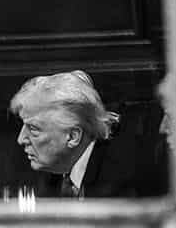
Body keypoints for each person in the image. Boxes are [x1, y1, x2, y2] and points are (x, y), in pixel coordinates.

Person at [9, 70, 162, 199]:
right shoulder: (52, 173)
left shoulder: (121, 182)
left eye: (33, 128)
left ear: (73, 136)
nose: (21, 139)